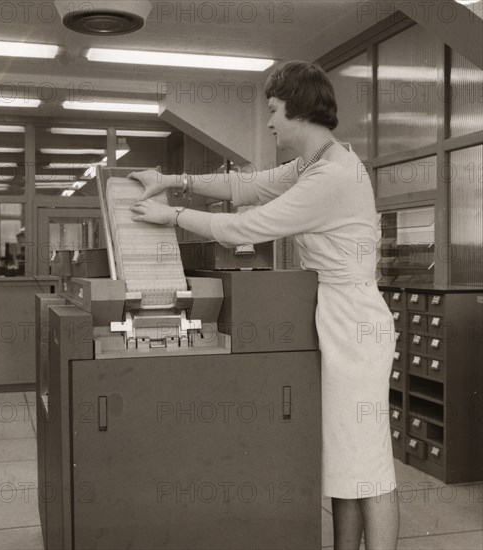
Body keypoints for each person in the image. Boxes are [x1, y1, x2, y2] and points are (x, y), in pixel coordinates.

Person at [129, 61, 399, 550]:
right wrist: (173, 180)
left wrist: (168, 215)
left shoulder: (332, 176)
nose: (270, 122)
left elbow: (244, 227)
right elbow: (246, 187)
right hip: (337, 315)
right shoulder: (314, 163)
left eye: (273, 111)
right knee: (343, 460)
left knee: (370, 465)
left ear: (298, 110)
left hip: (355, 324)